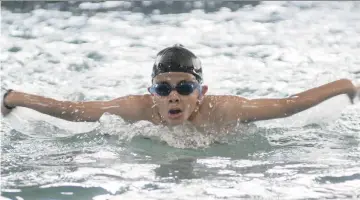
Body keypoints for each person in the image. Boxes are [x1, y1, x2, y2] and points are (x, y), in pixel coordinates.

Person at [2, 44, 359, 133]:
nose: (173, 95)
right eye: (163, 89)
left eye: (185, 86)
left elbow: (288, 105)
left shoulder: (226, 110)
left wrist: (346, 86)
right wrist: (12, 98)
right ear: (151, 92)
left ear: (201, 93)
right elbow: (73, 110)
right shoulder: (136, 109)